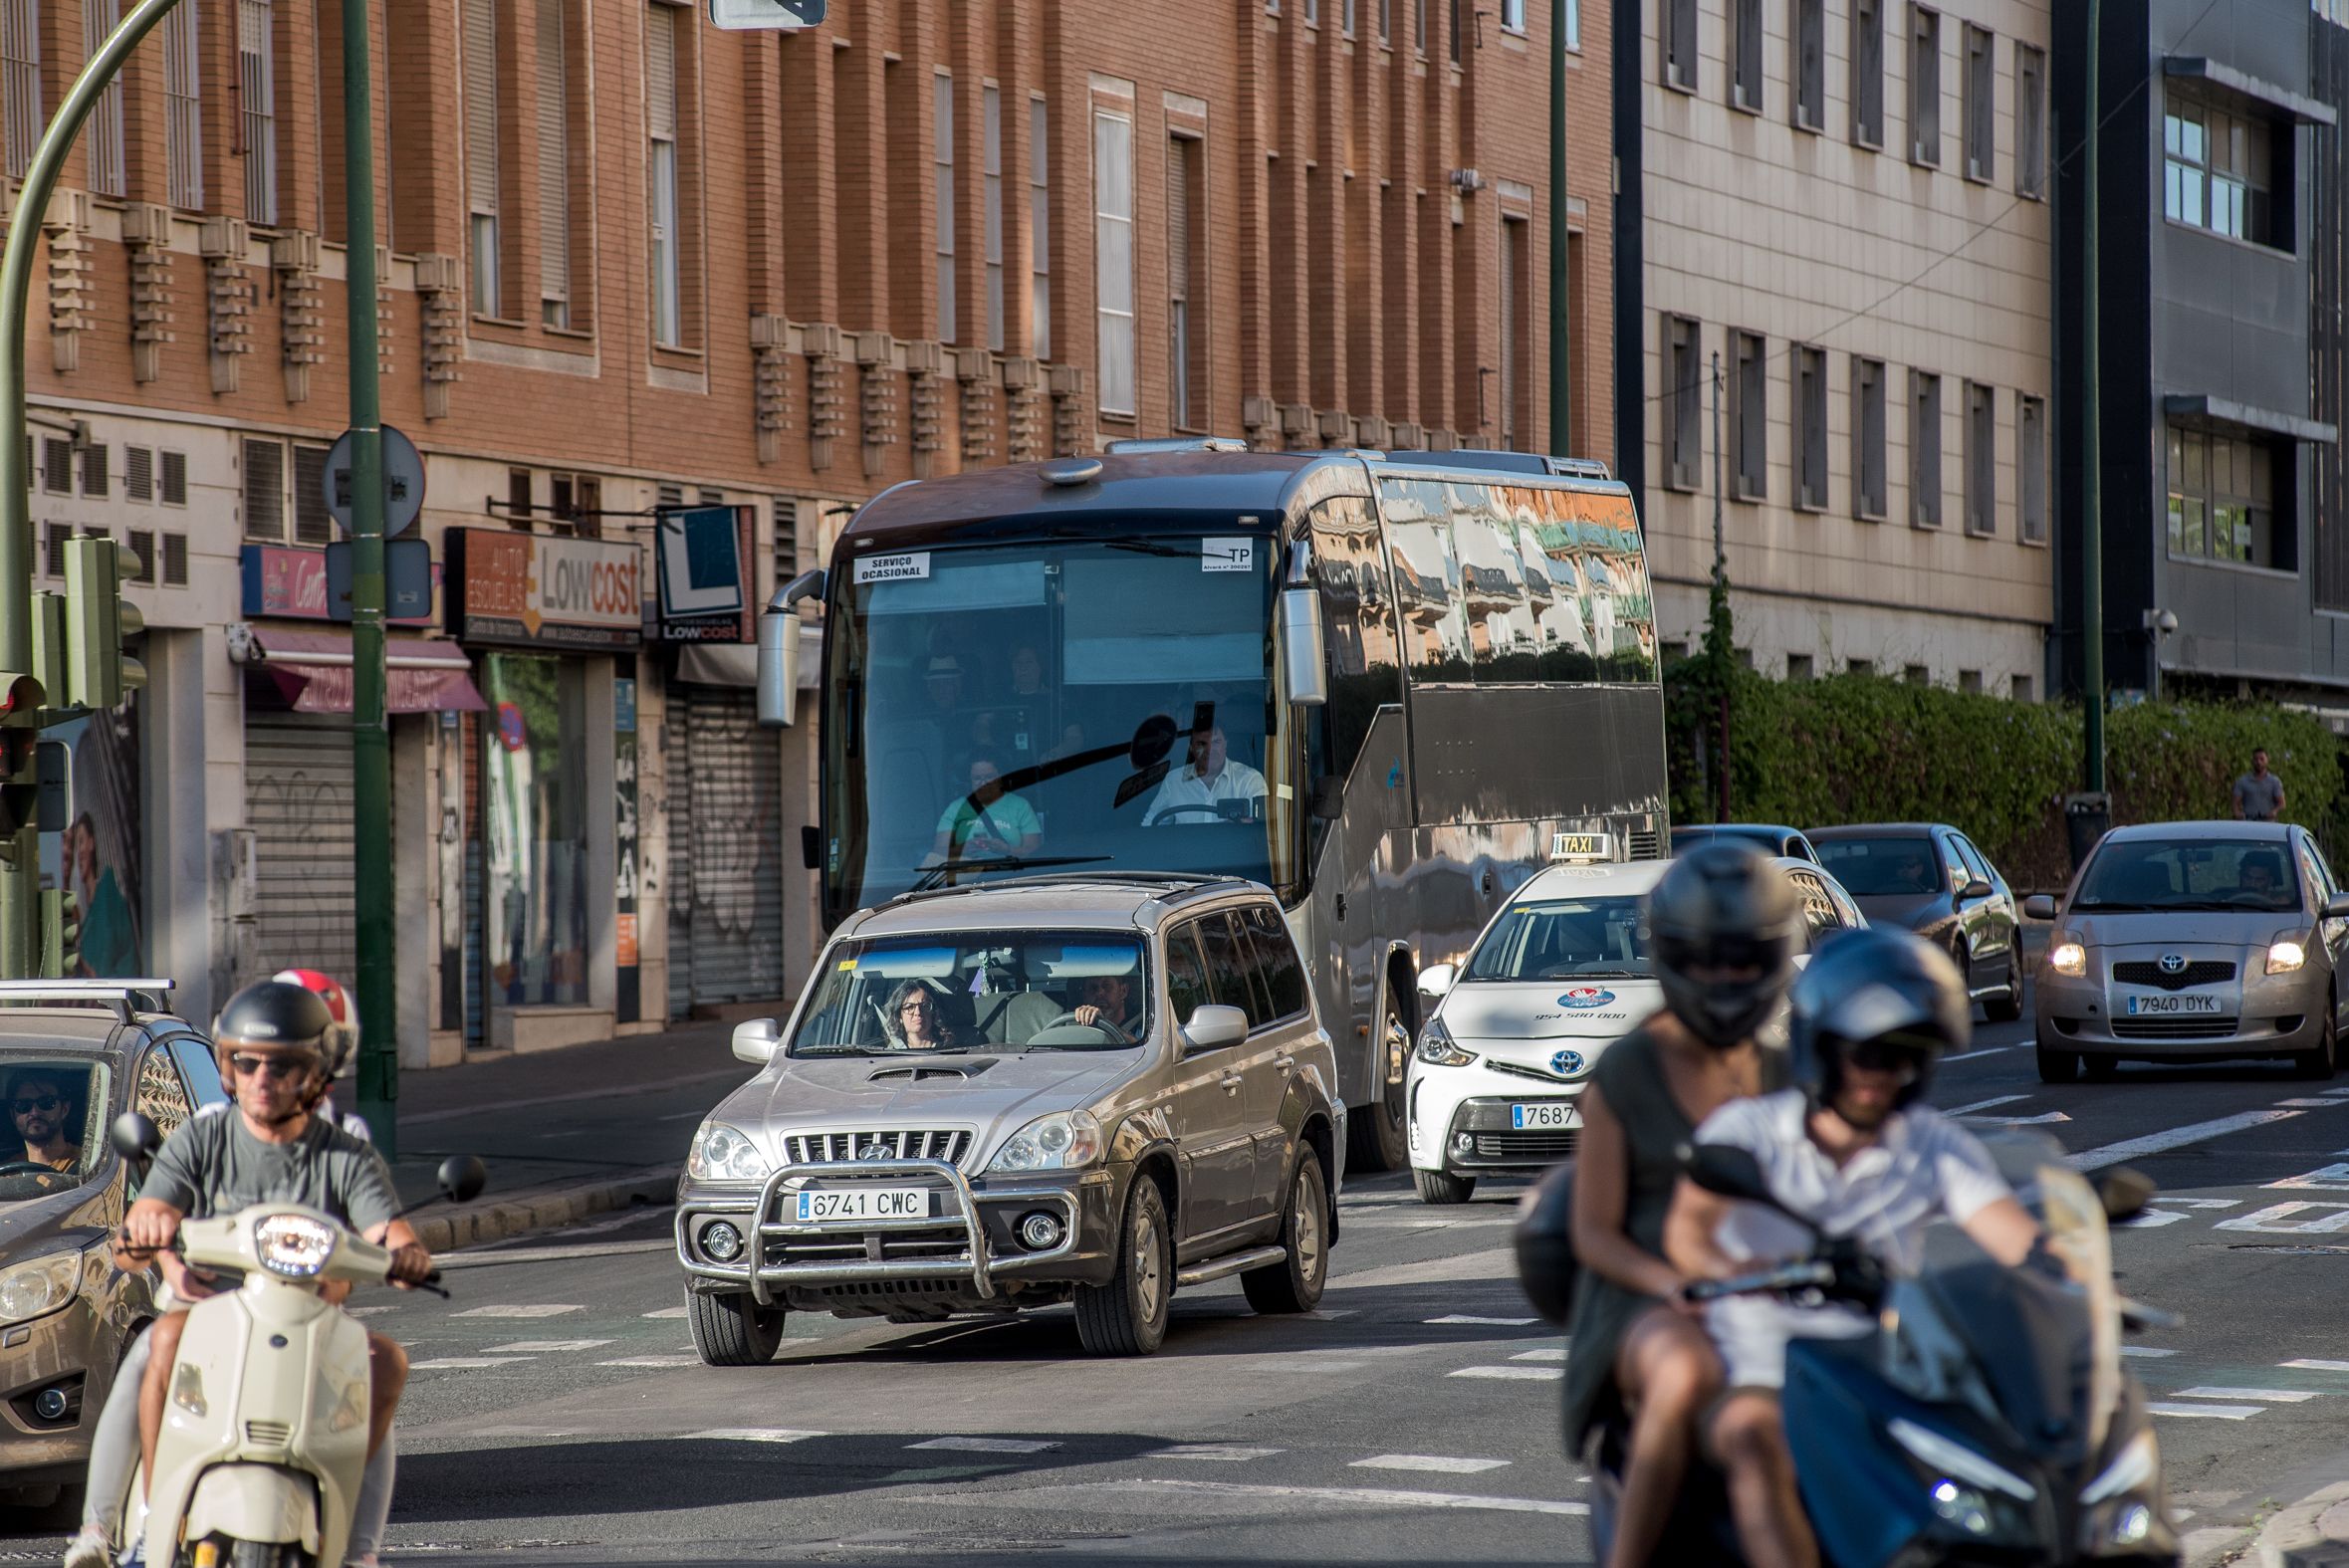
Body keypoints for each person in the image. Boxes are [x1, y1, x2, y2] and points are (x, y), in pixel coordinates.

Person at [1663, 928, 2040, 1568]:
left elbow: (2013, 1236)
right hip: (1765, 1366)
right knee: (1756, 1442)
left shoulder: (1929, 1143)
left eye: (1899, 1058)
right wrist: (1738, 1268)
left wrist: (2070, 1283)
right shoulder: (1751, 1132)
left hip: (1890, 1368)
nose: (1879, 1076)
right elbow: (1687, 1229)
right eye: (1864, 1055)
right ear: (1823, 1050)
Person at [68, 973, 388, 1568]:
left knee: (371, 1374)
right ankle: (115, 1522)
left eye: (294, 1056)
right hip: (208, 1304)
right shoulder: (208, 1131)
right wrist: (166, 1257)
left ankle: (359, 1543)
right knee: (150, 1354)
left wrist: (382, 1257)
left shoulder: (345, 1142)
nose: (267, 1077)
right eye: (251, 1060)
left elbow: (363, 1240)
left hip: (302, 1312)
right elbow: (153, 1214)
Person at [1560, 842, 1801, 1568]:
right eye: (1705, 959)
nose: (1723, 978)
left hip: (1765, 1291)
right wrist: (1677, 1284)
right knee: (1687, 1370)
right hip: (1647, 1299)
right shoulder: (1626, 1070)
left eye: (1741, 959)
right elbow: (1593, 1232)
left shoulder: (1783, 1070)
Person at [1143, 722, 1268, 825]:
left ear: (1225, 744)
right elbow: (1151, 826)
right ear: (1191, 748)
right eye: (1201, 743)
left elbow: (1264, 828)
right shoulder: (1174, 781)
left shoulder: (1249, 780)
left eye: (1216, 742)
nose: (1209, 750)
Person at [931, 754, 1043, 862]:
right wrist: (963, 849)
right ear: (969, 779)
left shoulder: (1020, 806)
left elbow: (1033, 850)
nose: (983, 783)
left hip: (1012, 876)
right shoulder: (955, 808)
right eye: (977, 778)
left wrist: (1006, 849)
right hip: (968, 877)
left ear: (1000, 775)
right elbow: (939, 851)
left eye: (989, 777)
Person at [6, 1066, 81, 1175]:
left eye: (46, 1102)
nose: (35, 1112)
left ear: (64, 1109)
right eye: (23, 1105)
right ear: (13, 1115)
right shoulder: (7, 1173)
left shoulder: (89, 1166)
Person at [882, 980, 966, 1051]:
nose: (918, 1012)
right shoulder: (889, 1053)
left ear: (934, 1012)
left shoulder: (951, 1051)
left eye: (925, 1006)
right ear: (899, 1016)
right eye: (910, 1007)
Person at [1067, 972, 1145, 1043]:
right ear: (1084, 995)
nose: (1099, 993)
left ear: (1123, 991)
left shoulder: (1144, 1028)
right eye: (1093, 988)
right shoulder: (1073, 1029)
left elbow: (1145, 1050)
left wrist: (1103, 1024)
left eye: (1107, 986)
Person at [2235, 748, 2286, 821]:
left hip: (2268, 823)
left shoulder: (2274, 781)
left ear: (2267, 760)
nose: (2259, 762)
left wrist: (2274, 811)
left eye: (2262, 759)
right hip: (2248, 822)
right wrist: (2237, 813)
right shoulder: (2243, 781)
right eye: (2256, 759)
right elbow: (2235, 802)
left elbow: (2282, 803)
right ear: (2252, 761)